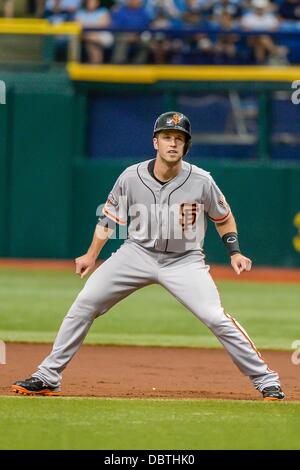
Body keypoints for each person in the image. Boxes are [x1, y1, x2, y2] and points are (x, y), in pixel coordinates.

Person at [12, 111, 285, 401]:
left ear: (186, 147)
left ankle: (266, 380)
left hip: (185, 261)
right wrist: (91, 255)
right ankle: (48, 376)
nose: (173, 143)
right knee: (85, 303)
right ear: (155, 141)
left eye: (179, 139)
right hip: (137, 253)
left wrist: (235, 252)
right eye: (167, 137)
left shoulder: (202, 180)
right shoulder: (131, 177)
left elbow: (223, 218)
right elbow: (109, 220)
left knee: (216, 318)